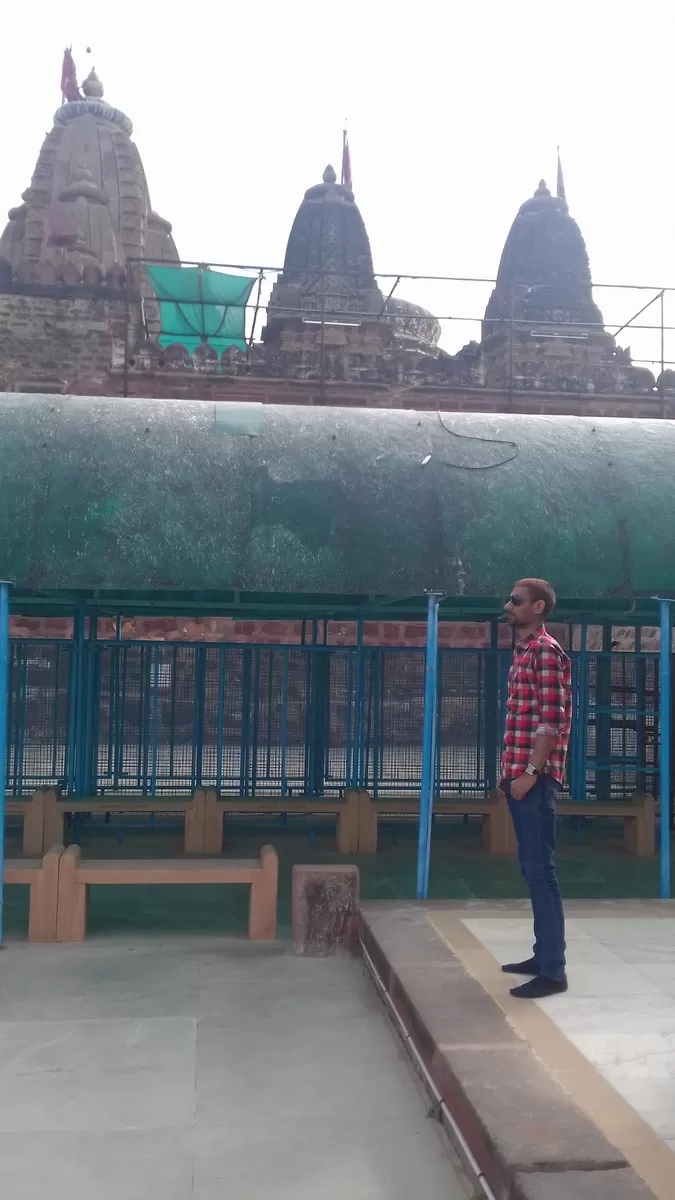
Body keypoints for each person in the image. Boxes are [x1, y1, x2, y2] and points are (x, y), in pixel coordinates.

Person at [500, 578, 572, 999]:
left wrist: (528, 772)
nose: (507, 605)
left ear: (538, 607)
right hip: (520, 775)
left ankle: (553, 970)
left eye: (516, 600)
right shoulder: (524, 651)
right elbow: (520, 721)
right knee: (532, 870)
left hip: (535, 779)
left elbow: (551, 719)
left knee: (542, 872)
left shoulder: (544, 651)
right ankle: (542, 954)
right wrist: (508, 772)